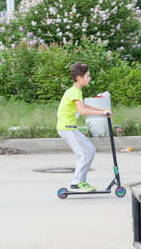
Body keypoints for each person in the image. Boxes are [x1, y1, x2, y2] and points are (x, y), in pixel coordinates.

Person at [57, 62, 111, 192]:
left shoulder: (76, 92)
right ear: (79, 78)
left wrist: (103, 110)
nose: (89, 78)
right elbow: (82, 111)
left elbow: (85, 107)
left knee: (90, 151)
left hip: (71, 128)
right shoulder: (74, 92)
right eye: (88, 76)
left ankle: (82, 182)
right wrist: (102, 113)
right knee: (83, 155)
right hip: (66, 128)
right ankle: (76, 183)